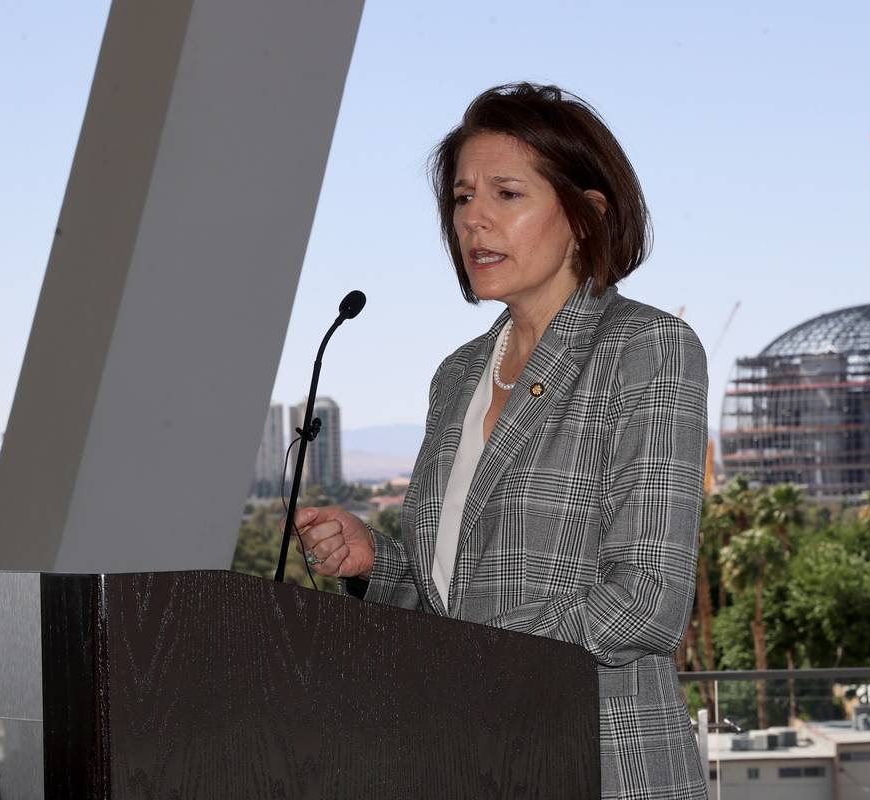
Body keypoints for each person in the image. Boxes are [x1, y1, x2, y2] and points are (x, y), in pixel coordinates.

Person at [293, 83, 709, 800]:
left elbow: (647, 599)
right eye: (461, 199)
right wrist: (376, 562)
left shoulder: (648, 348)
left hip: (599, 764)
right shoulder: (457, 377)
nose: (474, 219)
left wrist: (467, 654)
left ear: (587, 214)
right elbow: (453, 599)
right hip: (465, 764)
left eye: (506, 194)